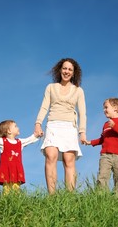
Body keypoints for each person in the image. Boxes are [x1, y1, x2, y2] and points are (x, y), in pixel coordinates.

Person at [34, 58, 87, 194]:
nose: (67, 71)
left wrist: (82, 132)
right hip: (53, 125)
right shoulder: (51, 87)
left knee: (69, 160)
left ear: (74, 73)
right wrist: (38, 124)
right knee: (50, 156)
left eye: (70, 69)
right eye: (64, 68)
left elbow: (82, 113)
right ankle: (52, 196)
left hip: (69, 127)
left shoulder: (78, 91)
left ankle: (69, 197)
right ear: (60, 70)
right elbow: (44, 107)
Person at [84, 97, 118, 196]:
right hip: (105, 156)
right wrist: (90, 142)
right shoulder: (106, 124)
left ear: (115, 108)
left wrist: (115, 127)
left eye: (106, 107)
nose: (104, 110)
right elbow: (102, 139)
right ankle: (101, 198)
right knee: (102, 177)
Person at [0, 120, 39, 194]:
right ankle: (7, 203)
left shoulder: (20, 142)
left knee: (16, 190)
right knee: (7, 190)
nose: (18, 127)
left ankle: (16, 202)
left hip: (17, 170)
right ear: (9, 131)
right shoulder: (3, 142)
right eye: (15, 126)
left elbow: (29, 140)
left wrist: (36, 135)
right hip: (6, 171)